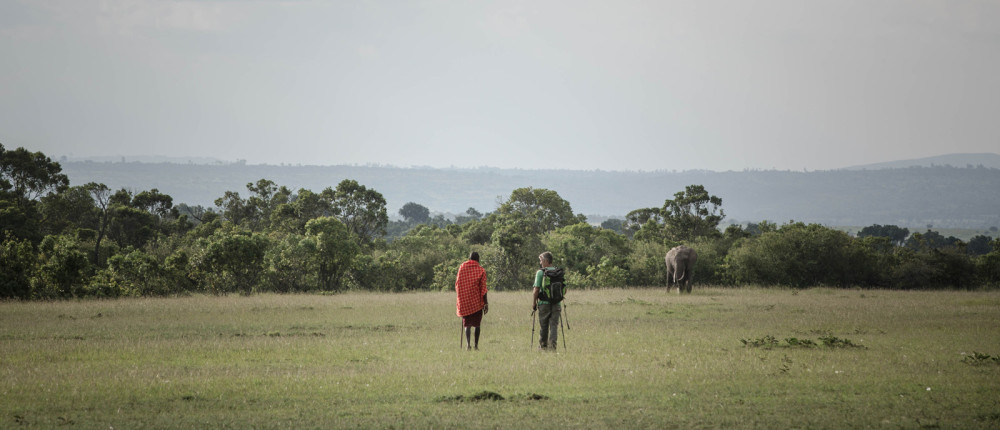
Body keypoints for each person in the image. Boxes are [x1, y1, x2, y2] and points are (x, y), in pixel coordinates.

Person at [455, 251, 488, 350]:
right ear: (478, 260)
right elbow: (483, 289)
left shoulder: (462, 268)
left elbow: (457, 284)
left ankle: (468, 345)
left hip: (464, 302)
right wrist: (486, 303)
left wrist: (460, 298)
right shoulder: (481, 270)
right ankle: (476, 346)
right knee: (477, 324)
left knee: (467, 324)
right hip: (476, 303)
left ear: (469, 259)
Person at [532, 251, 560, 350]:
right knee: (554, 326)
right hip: (556, 304)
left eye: (541, 260)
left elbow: (536, 290)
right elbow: (564, 290)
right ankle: (552, 347)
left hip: (544, 304)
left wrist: (534, 303)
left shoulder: (540, 272)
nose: (540, 263)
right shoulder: (558, 272)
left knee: (544, 327)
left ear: (546, 261)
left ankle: (543, 347)